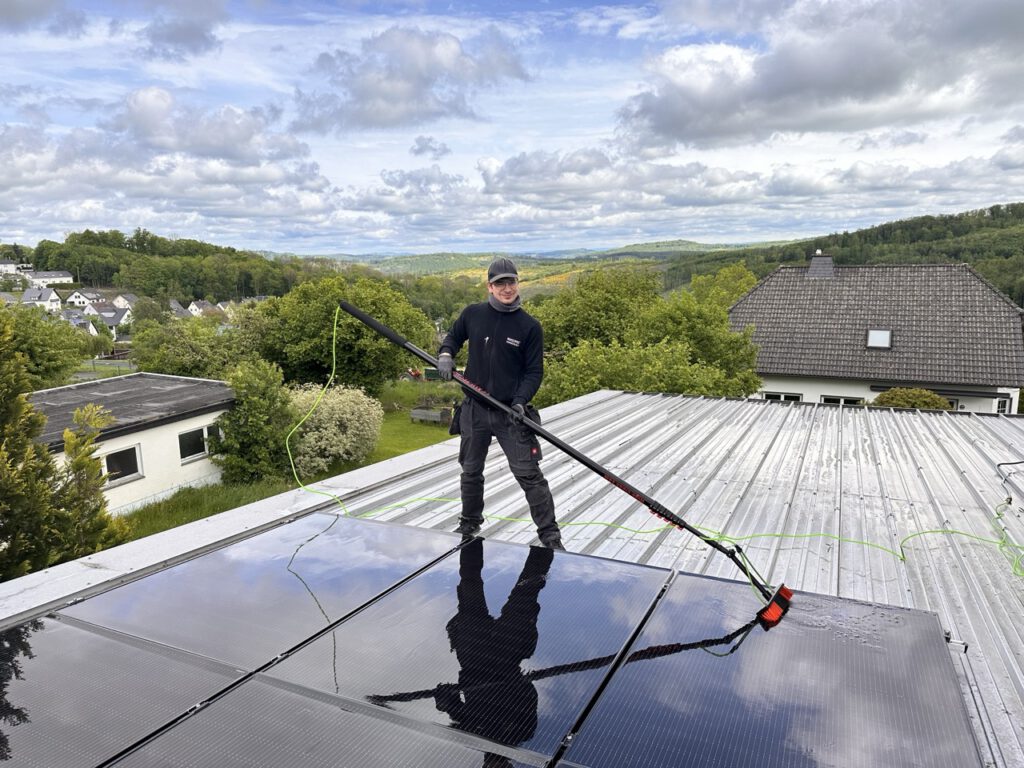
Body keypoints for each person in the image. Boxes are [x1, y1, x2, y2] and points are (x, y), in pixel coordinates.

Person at [437, 257, 563, 549]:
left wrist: (520, 402)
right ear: (490, 287)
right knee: (470, 470)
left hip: (510, 414)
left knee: (529, 475)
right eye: (500, 283)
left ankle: (550, 536)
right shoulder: (473, 314)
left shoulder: (529, 326)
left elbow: (534, 372)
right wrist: (446, 353)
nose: (507, 288)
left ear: (518, 284)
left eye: (511, 282)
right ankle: (469, 524)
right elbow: (453, 337)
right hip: (474, 409)